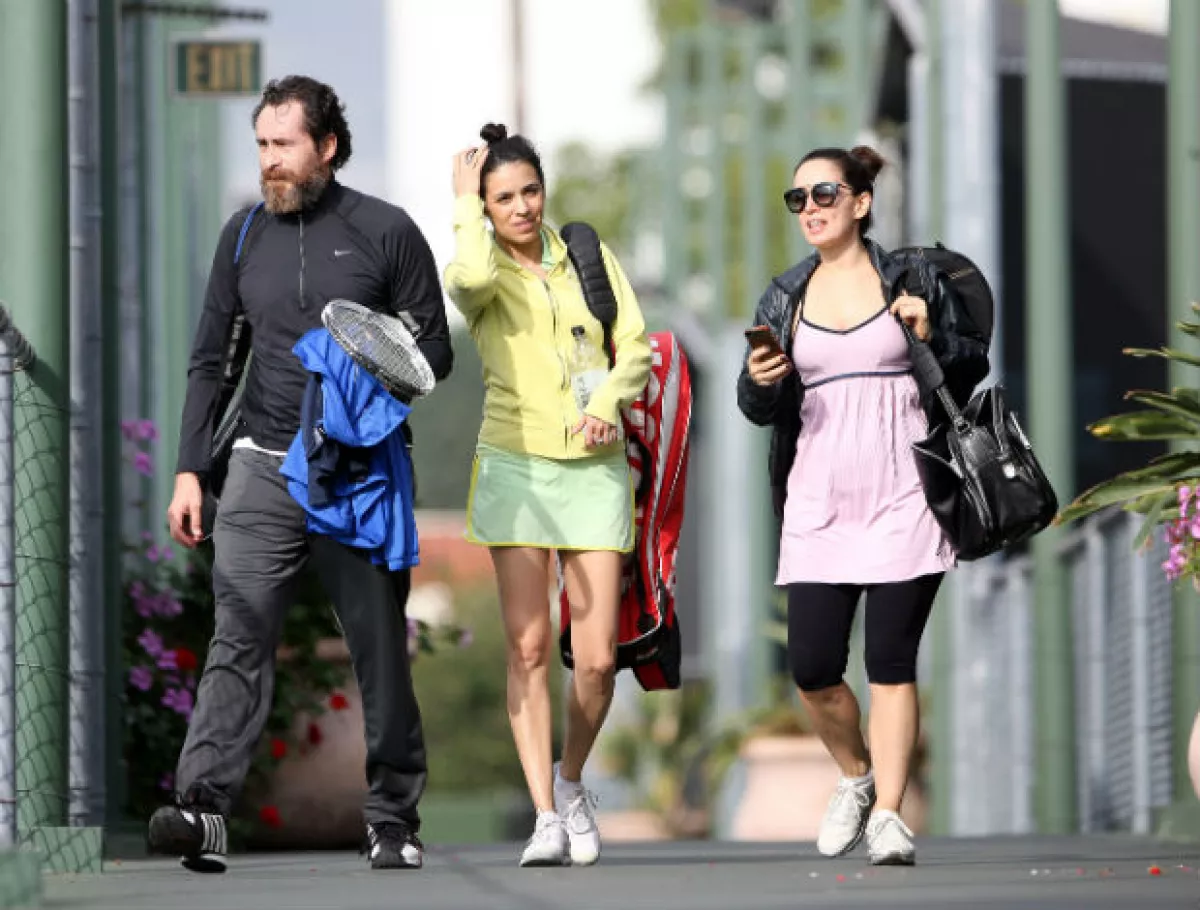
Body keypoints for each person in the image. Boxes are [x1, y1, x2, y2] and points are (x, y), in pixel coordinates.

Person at [149, 75, 453, 873]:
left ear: (327, 146)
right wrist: (190, 470)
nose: (269, 160)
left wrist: (368, 366)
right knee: (238, 633)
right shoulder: (244, 235)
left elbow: (435, 352)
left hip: (357, 475)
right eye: (261, 144)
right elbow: (211, 361)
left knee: (378, 647)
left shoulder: (386, 232)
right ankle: (203, 807)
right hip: (260, 466)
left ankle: (392, 819)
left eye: (284, 144)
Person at [736, 145, 988, 865]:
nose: (810, 209)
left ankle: (888, 815)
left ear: (860, 202)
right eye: (799, 199)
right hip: (818, 497)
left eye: (824, 194)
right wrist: (758, 379)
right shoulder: (784, 296)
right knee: (813, 667)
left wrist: (931, 335)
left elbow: (971, 365)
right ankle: (855, 775)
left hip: (906, 490)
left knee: (890, 661)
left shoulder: (910, 277)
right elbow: (758, 406)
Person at [444, 123, 652, 868]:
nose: (522, 208)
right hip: (516, 468)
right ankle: (543, 816)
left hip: (595, 469)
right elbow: (466, 282)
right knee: (529, 647)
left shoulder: (587, 255)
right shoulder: (479, 268)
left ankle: (571, 780)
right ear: (486, 206)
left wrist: (608, 406)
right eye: (503, 198)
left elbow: (636, 346)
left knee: (595, 661)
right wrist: (464, 208)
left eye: (530, 191)